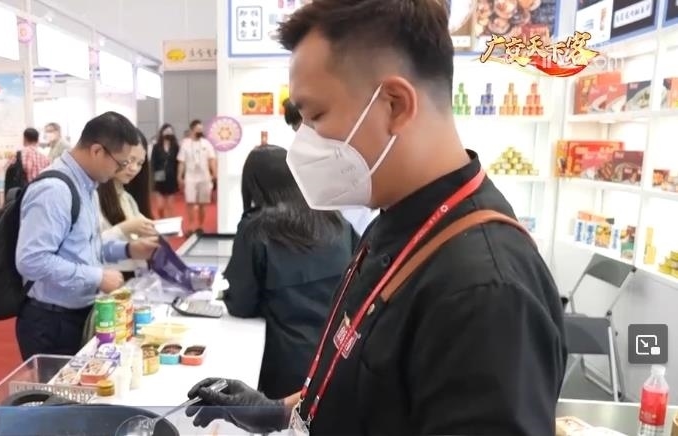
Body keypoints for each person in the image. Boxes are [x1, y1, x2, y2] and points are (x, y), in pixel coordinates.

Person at [185, 1, 566, 435]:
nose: (304, 144)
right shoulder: (395, 222)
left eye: (316, 116)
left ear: (395, 104)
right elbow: (369, 394)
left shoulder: (485, 292)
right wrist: (279, 412)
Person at [14, 112, 159, 360]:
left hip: (78, 313)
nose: (123, 170)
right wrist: (97, 276)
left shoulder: (87, 186)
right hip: (51, 322)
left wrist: (128, 250)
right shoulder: (55, 190)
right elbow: (31, 260)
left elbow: (85, 247)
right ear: (97, 151)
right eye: (121, 162)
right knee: (57, 386)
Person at [225, 144, 357, 400]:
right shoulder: (335, 220)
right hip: (338, 356)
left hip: (285, 364)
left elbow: (241, 304)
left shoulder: (255, 229)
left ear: (253, 185)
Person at [282, 98, 377, 235]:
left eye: (310, 128)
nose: (305, 142)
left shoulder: (355, 157)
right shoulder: (306, 168)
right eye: (298, 134)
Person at [98, 130, 156, 280]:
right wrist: (125, 228)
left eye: (140, 163)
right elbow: (88, 248)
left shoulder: (127, 197)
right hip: (107, 280)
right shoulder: (93, 196)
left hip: (132, 278)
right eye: (130, 160)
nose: (134, 168)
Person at [177, 119, 216, 234]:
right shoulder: (185, 144)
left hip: (204, 177)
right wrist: (179, 176)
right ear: (192, 130)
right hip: (190, 177)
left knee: (203, 203)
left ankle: (200, 226)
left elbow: (212, 159)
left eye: (201, 129)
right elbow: (181, 162)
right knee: (190, 202)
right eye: (198, 129)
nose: (200, 131)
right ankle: (191, 226)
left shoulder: (206, 144)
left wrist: (215, 173)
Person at [150, 123, 179, 218]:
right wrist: (155, 175)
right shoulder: (156, 146)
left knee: (170, 205)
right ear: (162, 133)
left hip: (172, 176)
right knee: (160, 206)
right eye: (166, 131)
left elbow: (177, 162)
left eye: (170, 132)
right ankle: (162, 219)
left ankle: (170, 222)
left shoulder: (175, 147)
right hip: (159, 174)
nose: (168, 134)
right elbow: (153, 162)